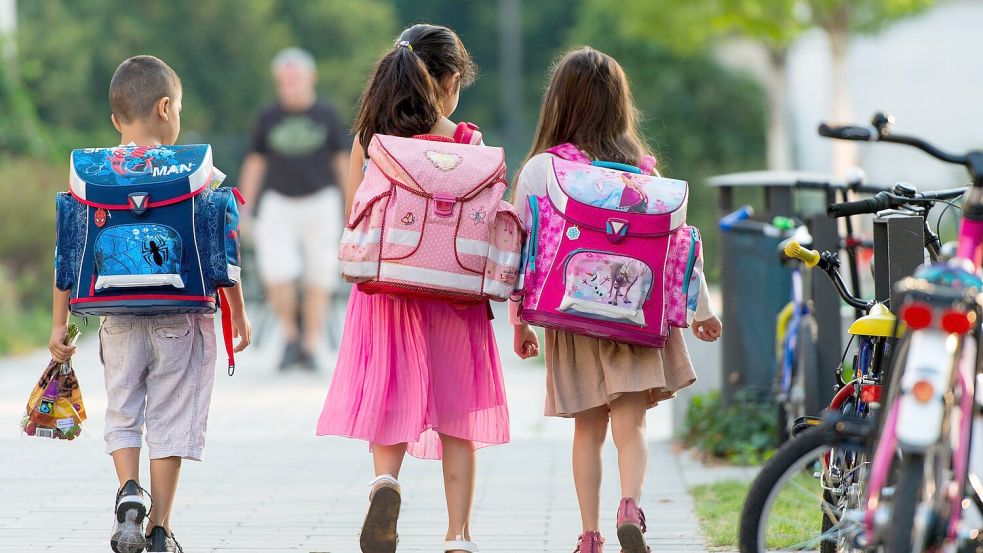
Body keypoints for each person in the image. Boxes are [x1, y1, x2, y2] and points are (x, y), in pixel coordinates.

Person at [509, 47, 723, 553]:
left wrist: (520, 321)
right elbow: (680, 251)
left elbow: (522, 251)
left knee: (588, 430)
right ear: (619, 105)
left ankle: (589, 535)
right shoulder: (645, 174)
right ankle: (631, 504)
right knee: (632, 425)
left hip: (571, 316)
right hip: (635, 315)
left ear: (557, 103)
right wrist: (703, 309)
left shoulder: (543, 170)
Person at [48, 55, 252, 553]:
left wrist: (59, 326)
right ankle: (160, 530)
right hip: (181, 317)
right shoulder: (195, 174)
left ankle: (127, 491)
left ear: (115, 120)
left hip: (115, 316)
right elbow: (222, 248)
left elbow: (67, 251)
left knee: (123, 409)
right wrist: (238, 312)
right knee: (171, 418)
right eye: (177, 106)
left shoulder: (92, 177)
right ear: (166, 108)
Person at [315, 24, 508, 553]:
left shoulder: (372, 142)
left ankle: (386, 483)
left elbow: (359, 213)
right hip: (456, 293)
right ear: (448, 82)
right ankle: (458, 535)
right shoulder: (470, 144)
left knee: (389, 394)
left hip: (387, 291)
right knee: (459, 415)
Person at [238, 47, 349, 370]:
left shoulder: (327, 115)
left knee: (320, 273)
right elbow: (255, 161)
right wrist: (246, 208)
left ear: (309, 78)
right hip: (279, 202)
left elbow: (341, 162)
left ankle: (311, 343)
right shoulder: (268, 117)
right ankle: (289, 335)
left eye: (295, 78)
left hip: (321, 200)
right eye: (284, 80)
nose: (290, 85)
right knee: (276, 271)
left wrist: (350, 205)